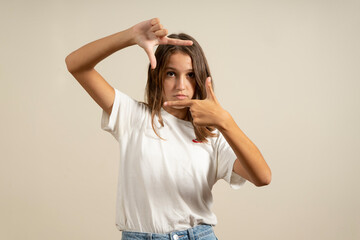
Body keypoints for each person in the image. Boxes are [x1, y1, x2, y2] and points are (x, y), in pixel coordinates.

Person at [65, 18, 271, 240]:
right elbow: (76, 64)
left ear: (201, 79)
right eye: (171, 73)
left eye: (190, 75)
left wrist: (225, 122)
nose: (181, 85)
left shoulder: (212, 135)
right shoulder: (133, 116)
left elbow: (263, 177)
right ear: (157, 77)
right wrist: (130, 36)